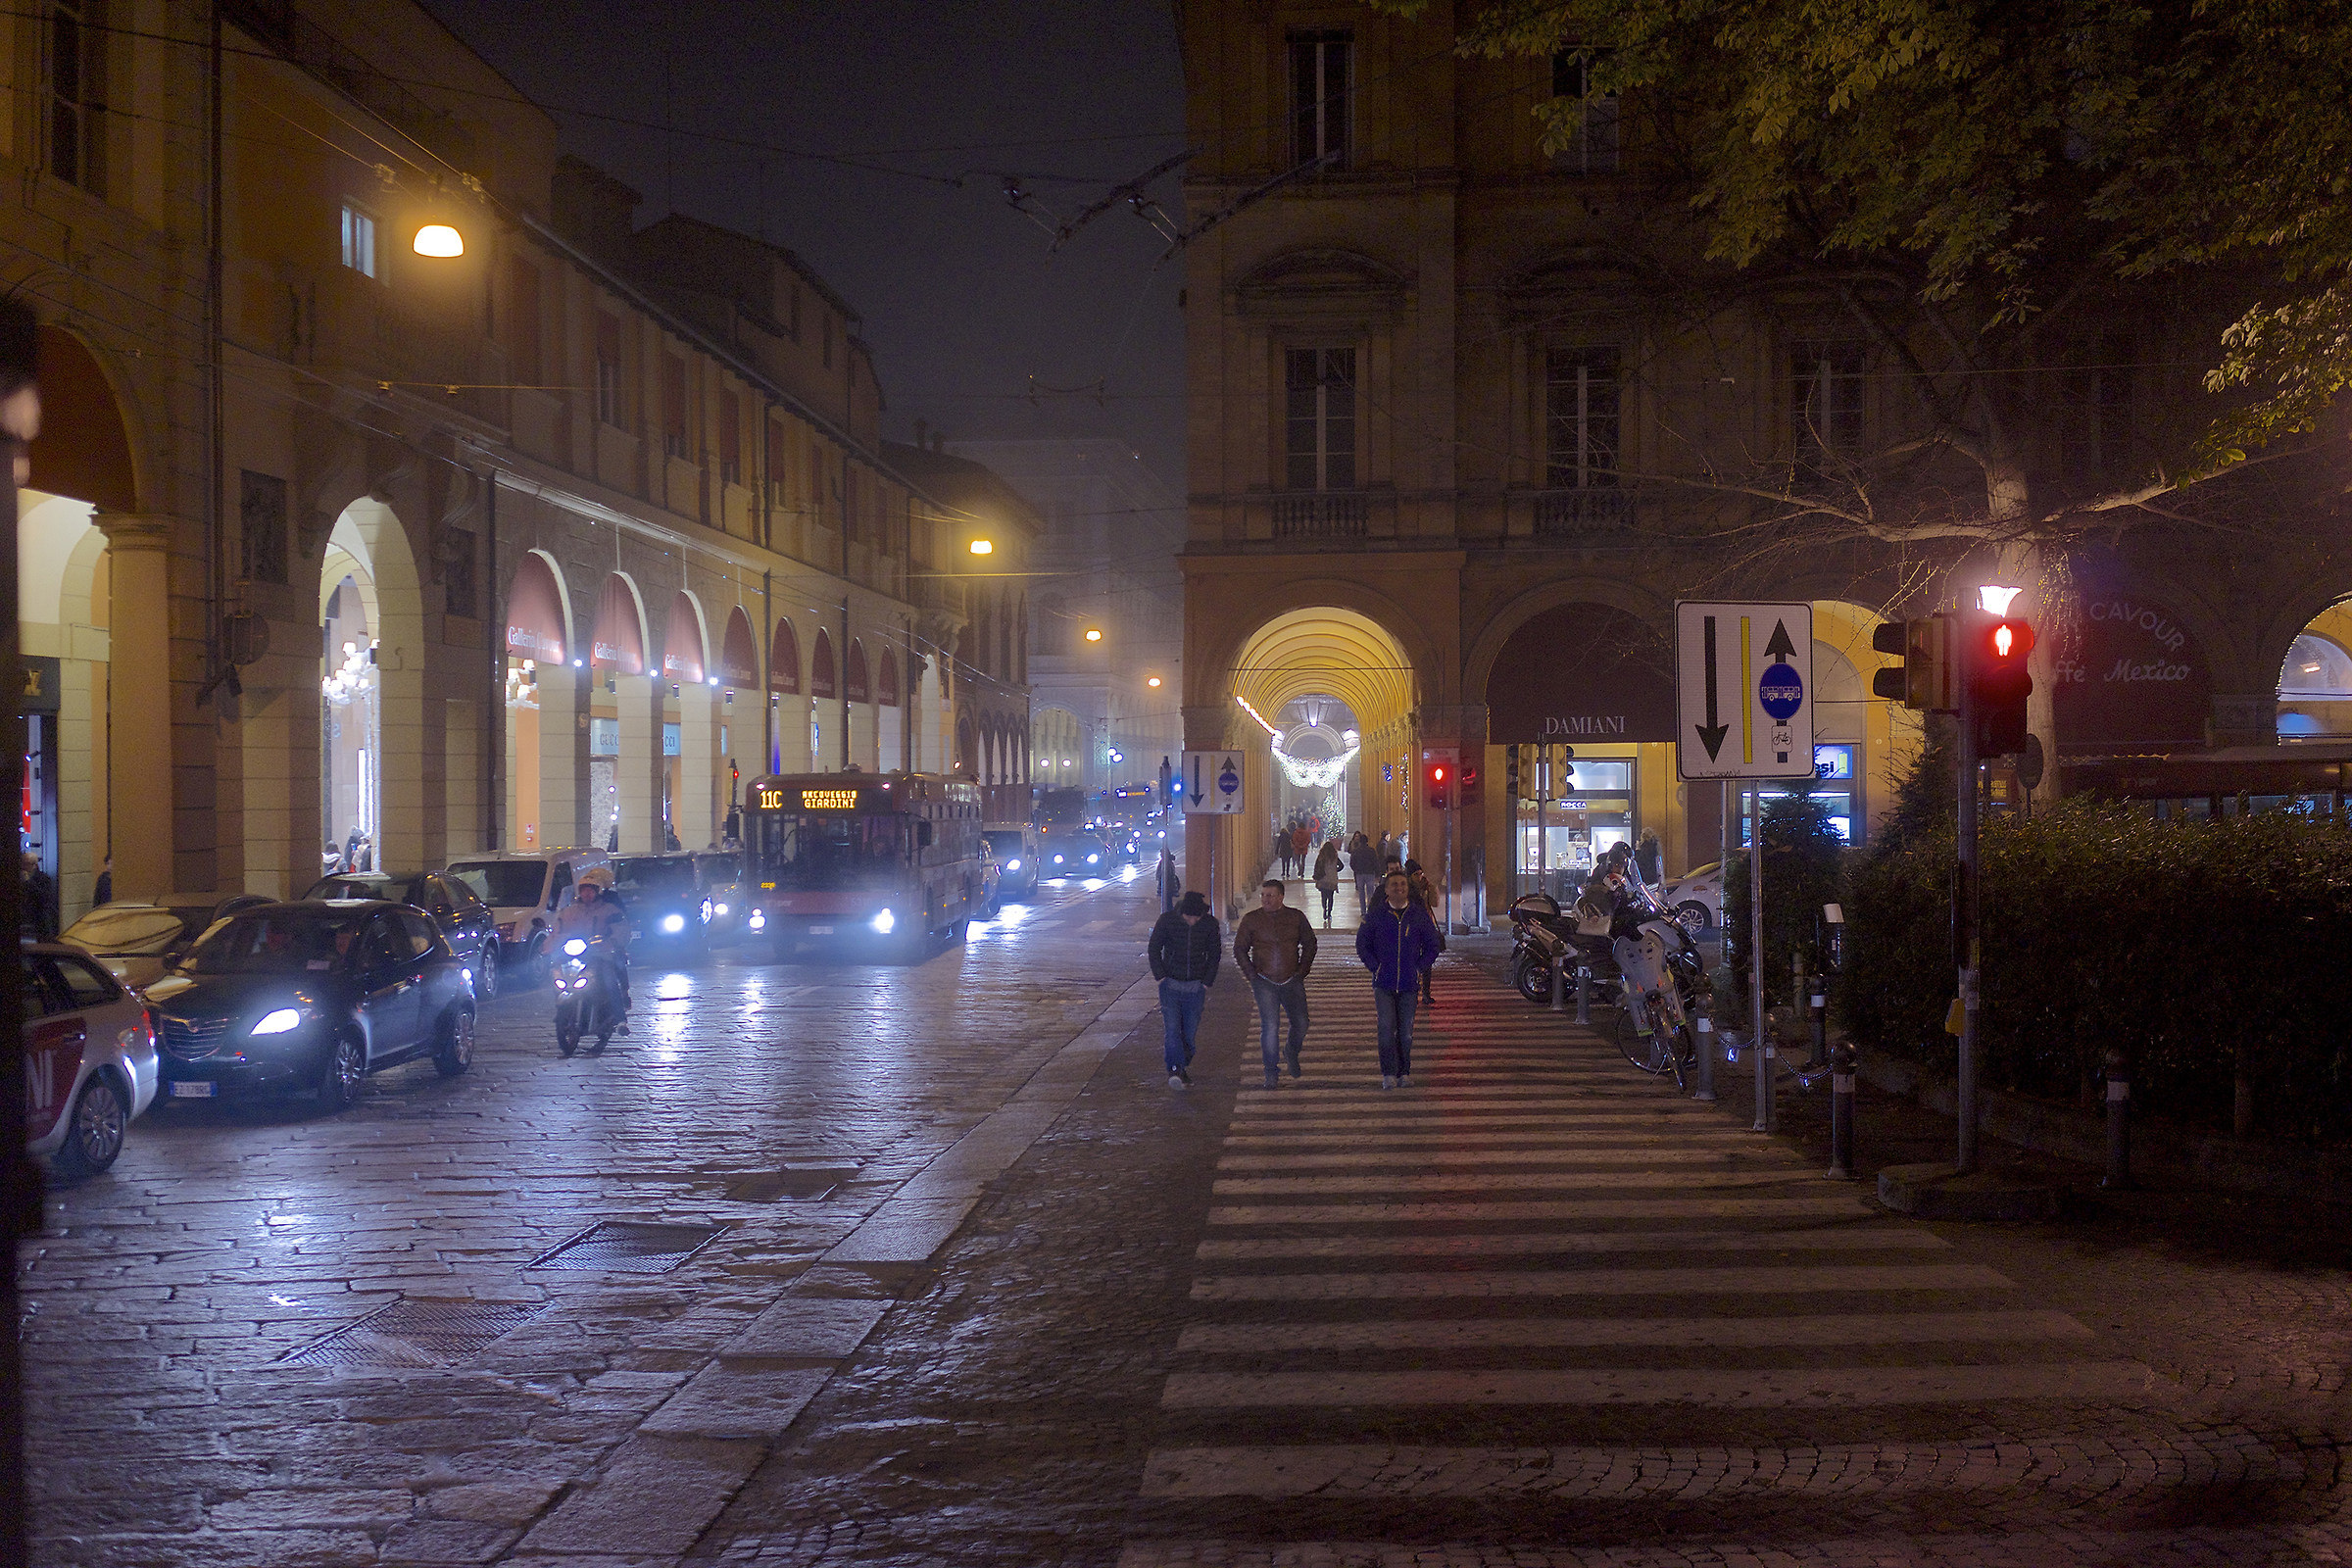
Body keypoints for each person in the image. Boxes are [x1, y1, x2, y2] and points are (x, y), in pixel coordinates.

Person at [1358, 869, 1442, 1089]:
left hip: (1409, 984)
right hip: (1383, 982)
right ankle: (1388, 1073)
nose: (1399, 888)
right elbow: (1362, 944)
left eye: (1403, 885)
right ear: (1386, 889)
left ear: (1407, 888)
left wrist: (1420, 967)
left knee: (1406, 1031)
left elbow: (1434, 945)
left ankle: (1404, 1072)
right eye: (1394, 885)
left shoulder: (1418, 915)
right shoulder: (1376, 916)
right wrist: (1375, 966)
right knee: (1386, 1028)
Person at [1234, 878, 1316, 1089]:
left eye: (1270, 895)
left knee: (1301, 1022)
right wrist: (1251, 975)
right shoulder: (1252, 920)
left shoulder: (1295, 917)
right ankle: (1271, 1071)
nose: (1265, 899)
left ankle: (1291, 1051)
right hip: (1264, 980)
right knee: (1270, 1027)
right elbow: (1240, 948)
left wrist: (1302, 970)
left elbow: (1310, 943)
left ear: (1281, 897)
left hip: (1292, 979)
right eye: (1263, 895)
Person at [1149, 889, 1221, 1088]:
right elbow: (1154, 947)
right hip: (1170, 984)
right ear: (1182, 913)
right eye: (1190, 917)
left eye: (1197, 917)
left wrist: (1207, 980)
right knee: (1172, 1030)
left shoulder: (1209, 924)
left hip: (1196, 987)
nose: (1193, 921)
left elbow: (1215, 954)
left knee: (1189, 1033)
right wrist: (1160, 975)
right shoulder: (1167, 921)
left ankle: (1181, 1065)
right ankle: (1175, 1069)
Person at [553, 867, 633, 1035]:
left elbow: (621, 929)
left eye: (591, 890)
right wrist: (548, 946)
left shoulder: (609, 909)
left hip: (600, 953)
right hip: (576, 953)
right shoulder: (569, 911)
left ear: (598, 892)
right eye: (584, 890)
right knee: (557, 974)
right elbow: (557, 931)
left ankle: (620, 1020)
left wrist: (612, 941)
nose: (587, 894)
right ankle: (563, 1011)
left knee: (609, 980)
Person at [1405, 858, 1443, 1005]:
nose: (1420, 877)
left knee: (1427, 962)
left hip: (1426, 927)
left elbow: (1435, 903)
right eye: (1416, 874)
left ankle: (1426, 993)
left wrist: (1432, 888)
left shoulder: (1426, 887)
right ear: (1409, 876)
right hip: (1410, 929)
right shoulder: (1405, 889)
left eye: (1421, 873)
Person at [20, 852, 56, 939]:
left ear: (34, 865)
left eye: (27, 864)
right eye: (22, 863)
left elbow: (43, 897)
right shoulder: (19, 877)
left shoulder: (43, 878)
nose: (24, 867)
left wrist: (28, 882)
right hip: (24, 914)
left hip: (39, 915)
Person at [1311, 839, 1343, 927]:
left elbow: (1316, 867)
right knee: (1331, 896)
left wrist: (1315, 875)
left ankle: (1324, 909)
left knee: (1324, 896)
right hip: (1332, 879)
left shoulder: (1321, 856)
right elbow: (1341, 866)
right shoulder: (1334, 856)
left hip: (1323, 879)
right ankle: (1329, 912)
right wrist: (1335, 870)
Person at [1348, 832, 1380, 915]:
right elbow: (1375, 862)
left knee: (1361, 893)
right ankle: (1370, 909)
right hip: (1370, 873)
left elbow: (1352, 863)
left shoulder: (1356, 851)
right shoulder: (1371, 850)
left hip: (1360, 874)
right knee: (1370, 893)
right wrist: (1377, 874)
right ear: (1367, 841)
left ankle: (1363, 911)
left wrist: (1356, 870)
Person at [1156, 847, 1181, 912]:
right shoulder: (1167, 861)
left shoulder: (1166, 862)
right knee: (1168, 900)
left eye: (1161, 853)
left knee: (1167, 900)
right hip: (1168, 883)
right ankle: (1169, 911)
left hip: (1167, 884)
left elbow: (1166, 873)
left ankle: (1169, 912)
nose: (1160, 854)